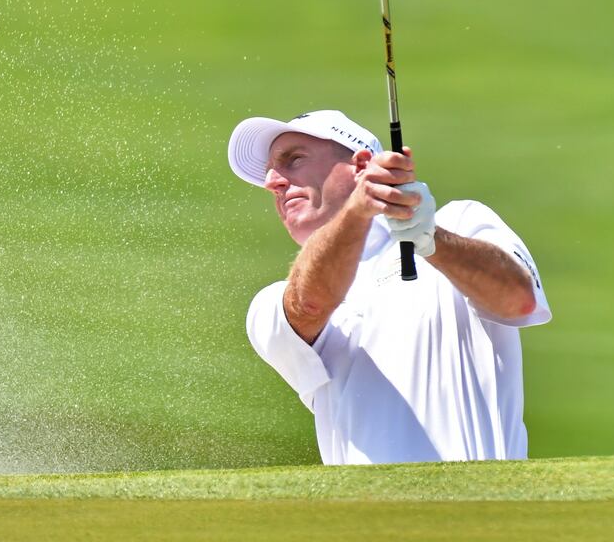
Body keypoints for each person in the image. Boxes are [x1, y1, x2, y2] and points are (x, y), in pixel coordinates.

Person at [227, 109, 551, 464]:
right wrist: (357, 211)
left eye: (294, 159)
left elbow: (519, 300)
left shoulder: (461, 222)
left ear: (361, 166)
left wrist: (432, 240)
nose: (272, 181)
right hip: (364, 502)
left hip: (481, 499)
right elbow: (309, 305)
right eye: (270, 170)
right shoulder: (270, 303)